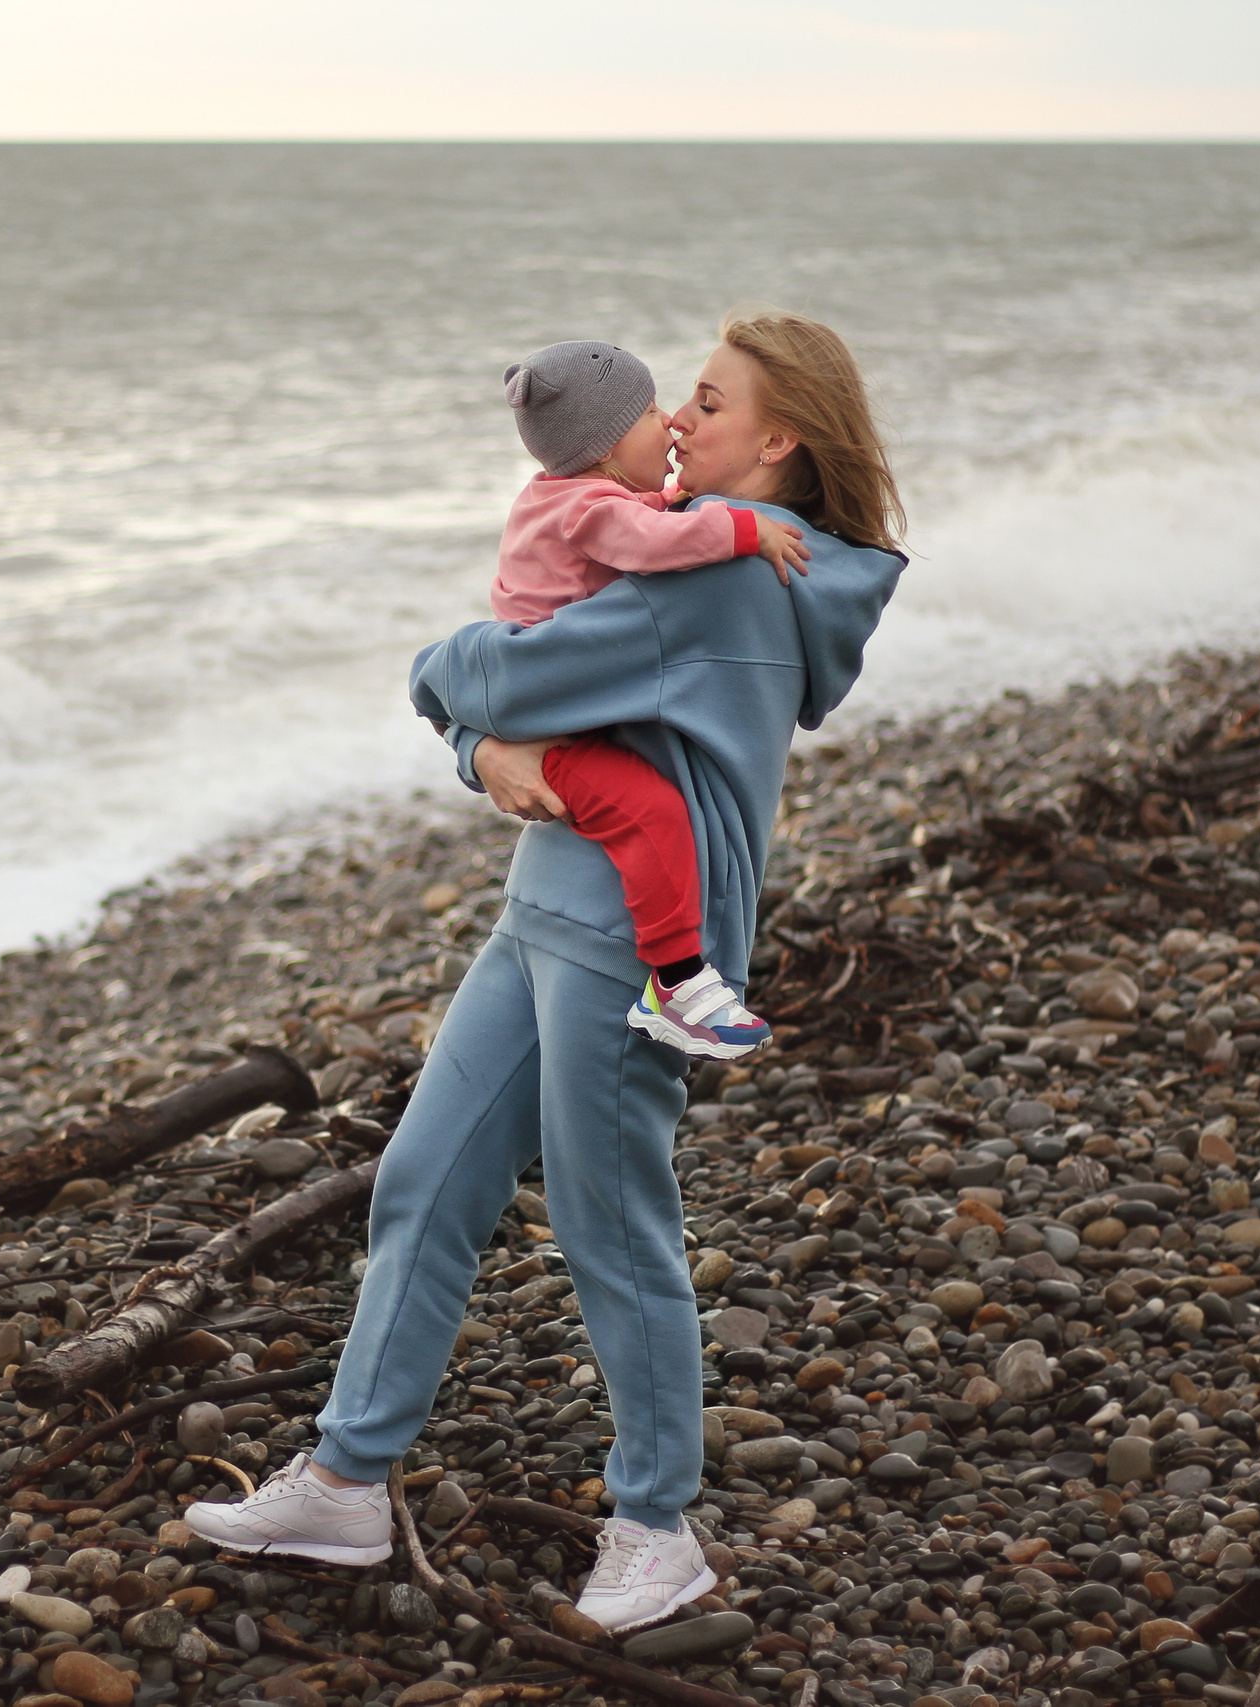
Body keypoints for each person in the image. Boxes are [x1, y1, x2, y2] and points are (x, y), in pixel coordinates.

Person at [187, 309, 905, 1634]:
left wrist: (451, 701)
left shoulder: (728, 583)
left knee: (612, 1218)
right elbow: (524, 722)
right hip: (548, 915)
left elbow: (494, 670)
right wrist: (488, 755)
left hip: (635, 944)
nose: (679, 420)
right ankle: (348, 1477)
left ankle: (656, 1527)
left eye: (706, 397)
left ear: (780, 436)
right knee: (424, 1177)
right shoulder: (709, 567)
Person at [486, 339, 810, 1060]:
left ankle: (680, 975)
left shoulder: (569, 497)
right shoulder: (593, 512)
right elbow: (652, 542)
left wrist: (681, 504)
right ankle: (678, 980)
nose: (668, 422)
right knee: (651, 810)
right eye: (649, 412)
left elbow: (646, 520)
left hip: (549, 710)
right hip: (557, 728)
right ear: (602, 449)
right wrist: (743, 528)